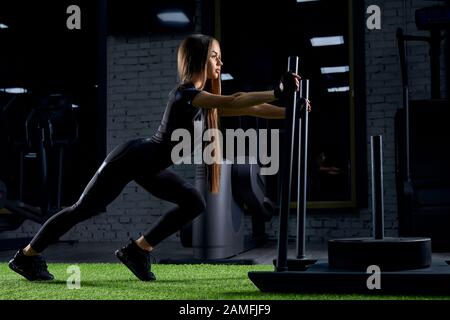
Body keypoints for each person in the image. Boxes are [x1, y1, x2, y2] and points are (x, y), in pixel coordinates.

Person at [8, 34, 308, 281]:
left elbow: (247, 108)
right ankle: (26, 257)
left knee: (193, 202)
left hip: (150, 165)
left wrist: (290, 112)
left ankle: (137, 250)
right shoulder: (186, 94)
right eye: (215, 56)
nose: (220, 61)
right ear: (200, 57)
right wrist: (279, 89)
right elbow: (237, 99)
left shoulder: (202, 98)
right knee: (81, 210)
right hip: (131, 158)